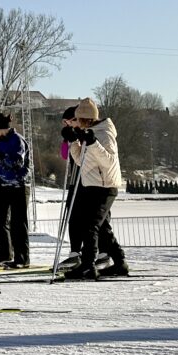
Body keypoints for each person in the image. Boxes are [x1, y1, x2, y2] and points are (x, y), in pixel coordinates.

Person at [62, 98, 128, 279]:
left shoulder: (104, 133)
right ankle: (120, 262)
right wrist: (73, 142)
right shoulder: (88, 133)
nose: (75, 123)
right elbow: (80, 161)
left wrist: (92, 143)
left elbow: (108, 161)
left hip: (105, 185)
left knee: (90, 226)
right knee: (102, 227)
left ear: (86, 118)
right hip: (92, 184)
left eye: (78, 119)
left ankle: (88, 265)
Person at [0, 111, 31, 268]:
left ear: (0, 127)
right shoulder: (1, 140)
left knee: (18, 223)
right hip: (2, 185)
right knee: (0, 221)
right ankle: (5, 253)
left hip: (18, 185)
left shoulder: (17, 140)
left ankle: (22, 258)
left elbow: (16, 162)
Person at [58, 106, 84, 262]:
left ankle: (93, 251)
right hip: (74, 178)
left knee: (86, 217)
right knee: (72, 214)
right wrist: (66, 140)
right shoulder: (69, 133)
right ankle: (75, 251)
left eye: (68, 121)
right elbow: (64, 155)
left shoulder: (83, 133)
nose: (67, 124)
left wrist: (75, 139)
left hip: (85, 178)